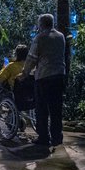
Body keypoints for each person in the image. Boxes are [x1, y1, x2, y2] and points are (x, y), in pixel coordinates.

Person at [20, 14, 66, 147]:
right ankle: (57, 137)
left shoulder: (40, 38)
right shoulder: (60, 36)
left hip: (44, 77)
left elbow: (32, 58)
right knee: (56, 109)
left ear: (41, 24)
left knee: (42, 109)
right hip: (59, 76)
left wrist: (25, 73)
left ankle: (44, 137)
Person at [0, 44, 29, 120]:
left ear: (16, 54)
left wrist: (5, 66)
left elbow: (0, 78)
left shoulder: (11, 65)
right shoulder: (29, 66)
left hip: (14, 91)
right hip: (27, 92)